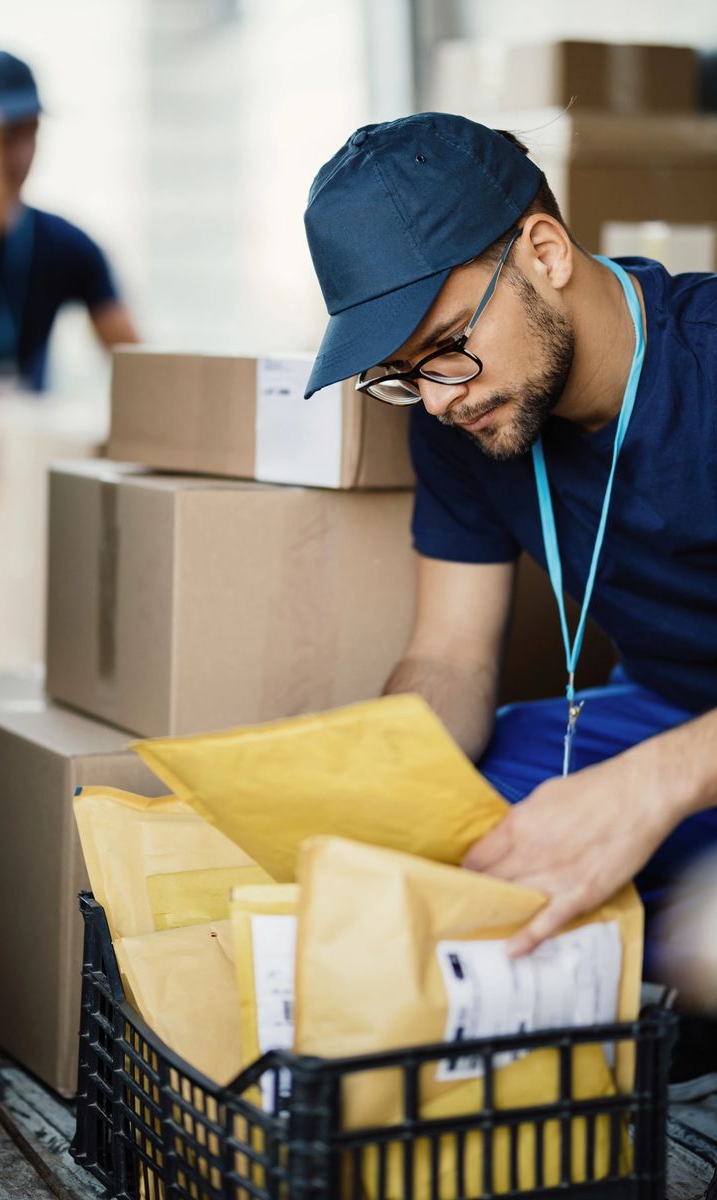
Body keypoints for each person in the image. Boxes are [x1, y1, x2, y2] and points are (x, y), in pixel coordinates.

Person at [302, 112, 717, 988]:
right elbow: (450, 656)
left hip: (680, 753)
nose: (437, 398)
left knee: (704, 939)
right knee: (441, 837)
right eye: (401, 374)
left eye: (448, 346)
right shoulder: (461, 414)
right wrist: (384, 794)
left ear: (545, 252)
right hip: (665, 710)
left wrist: (653, 785)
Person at [0, 49, 138, 389]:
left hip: (25, 436)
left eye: (31, 132)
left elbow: (138, 363)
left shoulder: (65, 245)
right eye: (5, 133)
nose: (21, 154)